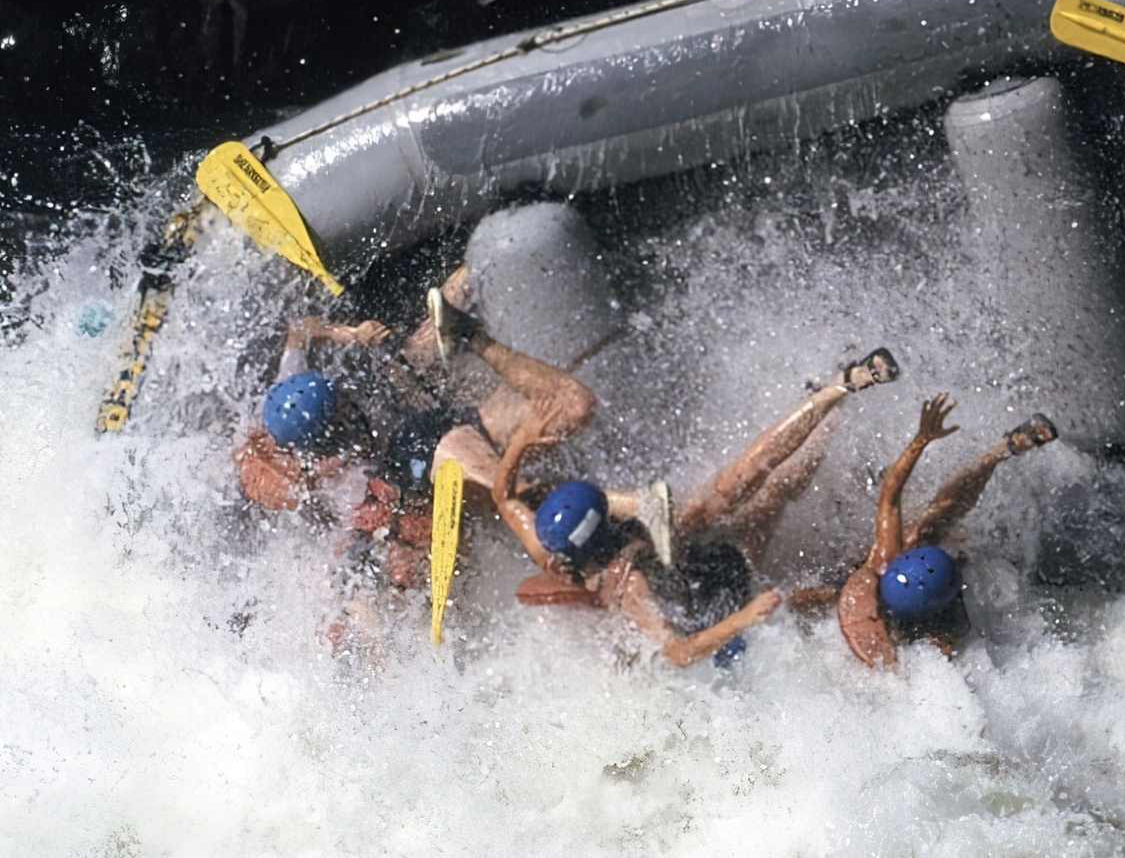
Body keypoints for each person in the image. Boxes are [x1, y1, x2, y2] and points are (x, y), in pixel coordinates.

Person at [492, 349, 901, 666]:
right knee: (778, 491)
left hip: (684, 549)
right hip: (719, 591)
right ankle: (833, 421)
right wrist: (742, 620)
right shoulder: (629, 585)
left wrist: (520, 441)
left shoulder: (544, 541)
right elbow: (678, 653)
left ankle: (840, 387)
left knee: (733, 483)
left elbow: (504, 497)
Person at [235, 278, 596, 588]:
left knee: (572, 405)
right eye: (341, 421)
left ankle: (465, 331)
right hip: (412, 484)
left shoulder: (292, 388)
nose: (350, 414)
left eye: (344, 405)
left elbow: (300, 330)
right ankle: (609, 518)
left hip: (433, 431)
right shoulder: (303, 476)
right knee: (502, 497)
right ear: (320, 443)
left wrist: (349, 334)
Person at [828, 394, 1056, 668]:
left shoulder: (890, 561)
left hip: (907, 604)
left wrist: (921, 440)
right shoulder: (868, 603)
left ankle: (999, 452)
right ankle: (998, 452)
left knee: (926, 527)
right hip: (859, 602)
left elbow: (890, 494)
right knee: (926, 529)